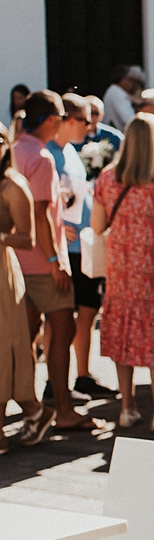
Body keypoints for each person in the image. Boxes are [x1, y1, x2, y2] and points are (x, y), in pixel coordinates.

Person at [91, 115, 154, 434]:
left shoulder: (107, 179)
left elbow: (96, 226)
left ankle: (127, 408)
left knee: (124, 333)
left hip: (121, 269)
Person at [12, 90, 86, 439]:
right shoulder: (40, 156)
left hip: (17, 261)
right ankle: (63, 410)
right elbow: (40, 213)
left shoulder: (15, 149)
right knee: (63, 330)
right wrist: (56, 261)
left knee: (23, 337)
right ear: (53, 120)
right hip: (41, 263)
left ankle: (32, 409)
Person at [56, 98, 113, 402]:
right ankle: (60, 383)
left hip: (84, 243)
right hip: (67, 249)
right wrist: (55, 229)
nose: (90, 127)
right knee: (63, 316)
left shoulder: (70, 152)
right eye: (84, 121)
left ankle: (81, 375)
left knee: (87, 311)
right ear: (66, 119)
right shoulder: (51, 153)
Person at [0, 132, 42, 443]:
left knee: (5, 346)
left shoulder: (14, 185)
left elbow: (28, 239)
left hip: (3, 272)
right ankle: (34, 412)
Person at [101, 65, 144, 134]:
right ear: (122, 79)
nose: (132, 84)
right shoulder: (117, 93)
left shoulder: (115, 91)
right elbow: (129, 119)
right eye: (130, 79)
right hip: (117, 135)